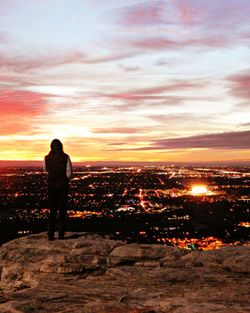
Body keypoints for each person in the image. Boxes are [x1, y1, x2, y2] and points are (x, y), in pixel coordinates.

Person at [43, 139, 73, 240]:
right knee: (62, 210)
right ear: (61, 146)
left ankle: (50, 234)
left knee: (52, 211)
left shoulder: (46, 158)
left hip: (51, 186)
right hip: (63, 187)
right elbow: (69, 174)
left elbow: (45, 169)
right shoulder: (66, 157)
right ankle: (61, 234)